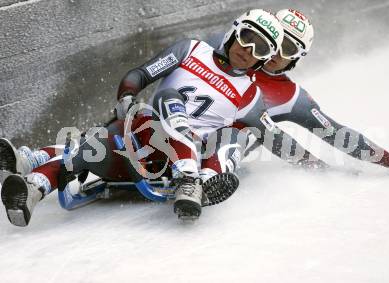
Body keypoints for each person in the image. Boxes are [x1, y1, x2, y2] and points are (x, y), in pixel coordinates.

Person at [1, 9, 314, 226]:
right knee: (99, 143)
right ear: (234, 31)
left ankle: (194, 181)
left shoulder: (250, 96)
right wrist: (126, 97)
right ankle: (31, 188)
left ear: (264, 60)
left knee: (236, 135)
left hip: (178, 161)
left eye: (260, 48)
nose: (248, 49)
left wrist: (318, 166)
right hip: (143, 139)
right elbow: (140, 74)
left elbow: (278, 140)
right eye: (247, 37)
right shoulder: (191, 50)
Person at [207, 8, 389, 175]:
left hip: (220, 149)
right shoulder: (226, 44)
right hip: (180, 126)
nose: (274, 51)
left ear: (295, 59)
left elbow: (338, 134)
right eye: (273, 40)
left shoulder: (292, 98)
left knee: (256, 128)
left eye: (286, 47)